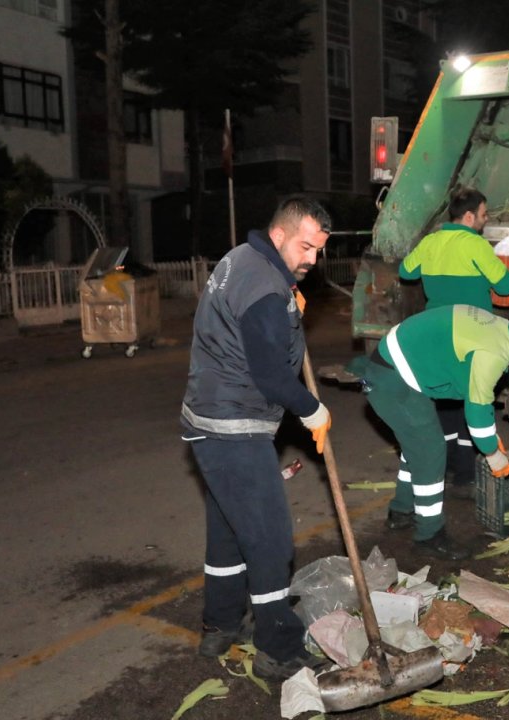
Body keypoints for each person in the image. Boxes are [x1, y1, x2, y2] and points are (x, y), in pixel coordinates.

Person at [180, 196, 333, 682]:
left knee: (229, 531)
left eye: (319, 251)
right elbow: (270, 375)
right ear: (281, 234)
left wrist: (287, 304)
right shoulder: (266, 287)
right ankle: (278, 648)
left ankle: (221, 626)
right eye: (306, 247)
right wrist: (312, 410)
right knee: (269, 540)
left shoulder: (241, 260)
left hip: (206, 418)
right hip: (234, 424)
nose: (312, 259)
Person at [347, 303, 509, 561]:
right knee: (430, 451)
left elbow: (474, 393)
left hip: (393, 366)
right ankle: (429, 536)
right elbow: (477, 413)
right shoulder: (494, 354)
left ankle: (401, 512)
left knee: (417, 445)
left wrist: (491, 436)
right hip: (393, 378)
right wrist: (493, 453)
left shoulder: (499, 330)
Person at [398, 187, 509, 498]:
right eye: (484, 214)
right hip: (471, 336)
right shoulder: (476, 245)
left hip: (437, 334)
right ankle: (467, 473)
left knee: (443, 400)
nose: (486, 220)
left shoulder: (430, 242)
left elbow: (406, 270)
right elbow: (506, 286)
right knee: (473, 396)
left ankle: (443, 468)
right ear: (469, 216)